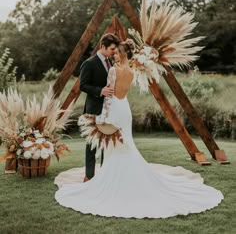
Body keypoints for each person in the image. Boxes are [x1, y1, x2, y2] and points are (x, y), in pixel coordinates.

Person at [55, 39, 223, 219]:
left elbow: (110, 97)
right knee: (124, 144)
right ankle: (113, 177)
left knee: (115, 146)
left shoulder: (113, 69)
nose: (114, 54)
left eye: (116, 51)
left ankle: (112, 180)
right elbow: (96, 88)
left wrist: (103, 117)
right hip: (124, 109)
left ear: (121, 53)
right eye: (113, 51)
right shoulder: (131, 71)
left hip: (113, 109)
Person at [79, 33, 120, 181]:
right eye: (112, 49)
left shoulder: (110, 62)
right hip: (93, 109)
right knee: (92, 144)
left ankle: (104, 174)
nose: (114, 52)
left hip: (108, 109)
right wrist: (100, 91)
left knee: (106, 143)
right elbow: (82, 85)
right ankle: (89, 176)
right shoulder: (89, 63)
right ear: (103, 46)